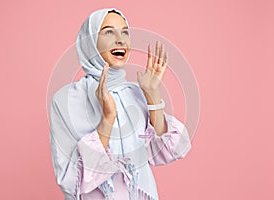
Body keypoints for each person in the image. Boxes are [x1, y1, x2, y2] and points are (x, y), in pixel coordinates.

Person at [49, 8, 192, 200]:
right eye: (109, 32)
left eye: (125, 32)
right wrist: (107, 119)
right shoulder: (66, 100)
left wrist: (153, 97)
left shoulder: (135, 93)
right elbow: (70, 180)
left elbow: (172, 150)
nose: (121, 40)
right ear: (90, 42)